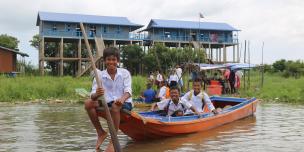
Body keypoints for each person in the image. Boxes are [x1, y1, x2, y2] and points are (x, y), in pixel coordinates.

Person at [84, 47, 132, 151]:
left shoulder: (124, 73)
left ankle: (113, 141)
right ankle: (100, 132)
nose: (111, 62)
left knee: (115, 106)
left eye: (114, 59)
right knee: (88, 103)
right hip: (107, 102)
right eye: (108, 59)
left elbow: (128, 91)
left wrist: (122, 99)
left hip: (124, 103)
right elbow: (92, 95)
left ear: (118, 61)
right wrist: (97, 94)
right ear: (105, 61)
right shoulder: (100, 75)